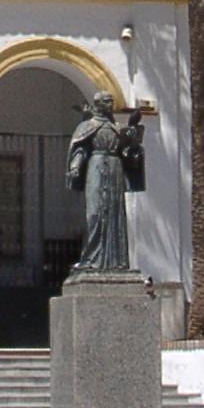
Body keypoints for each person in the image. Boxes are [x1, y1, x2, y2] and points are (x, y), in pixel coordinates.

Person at [65, 91, 145, 274]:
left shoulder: (116, 127)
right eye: (107, 102)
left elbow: (127, 153)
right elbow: (80, 149)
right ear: (98, 104)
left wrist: (133, 144)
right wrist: (76, 166)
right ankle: (91, 258)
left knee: (115, 214)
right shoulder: (88, 126)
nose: (110, 105)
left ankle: (116, 261)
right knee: (94, 213)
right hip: (96, 166)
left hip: (115, 168)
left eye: (111, 101)